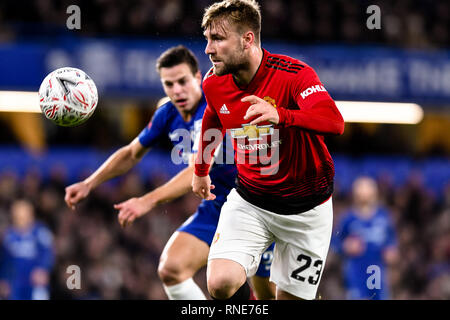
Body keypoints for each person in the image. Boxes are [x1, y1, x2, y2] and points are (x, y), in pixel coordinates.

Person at [64, 45, 275, 300]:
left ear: (197, 77)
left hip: (254, 206)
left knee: (269, 295)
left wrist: (147, 200)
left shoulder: (218, 106)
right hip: (217, 207)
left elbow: (197, 169)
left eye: (183, 81)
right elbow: (132, 153)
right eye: (169, 84)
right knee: (171, 269)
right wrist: (89, 183)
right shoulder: (167, 113)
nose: (177, 90)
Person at [192, 0, 344, 300]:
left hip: (307, 211)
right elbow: (213, 115)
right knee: (220, 284)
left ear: (247, 39)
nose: (209, 49)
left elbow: (334, 121)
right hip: (251, 202)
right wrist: (200, 169)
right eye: (207, 39)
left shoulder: (294, 75)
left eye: (218, 39)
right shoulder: (213, 82)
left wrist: (283, 115)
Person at [332, 176, 399, 300]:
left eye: (367, 188)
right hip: (356, 270)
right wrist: (345, 246)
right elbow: (335, 243)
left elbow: (391, 240)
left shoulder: (383, 217)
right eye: (361, 188)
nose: (364, 192)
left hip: (378, 270)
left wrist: (391, 251)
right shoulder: (348, 218)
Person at [0, 199, 54, 300]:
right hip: (15, 283)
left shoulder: (40, 232)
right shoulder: (8, 235)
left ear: (31, 214)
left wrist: (44, 268)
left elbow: (48, 252)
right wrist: (3, 279)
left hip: (36, 282)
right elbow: (4, 261)